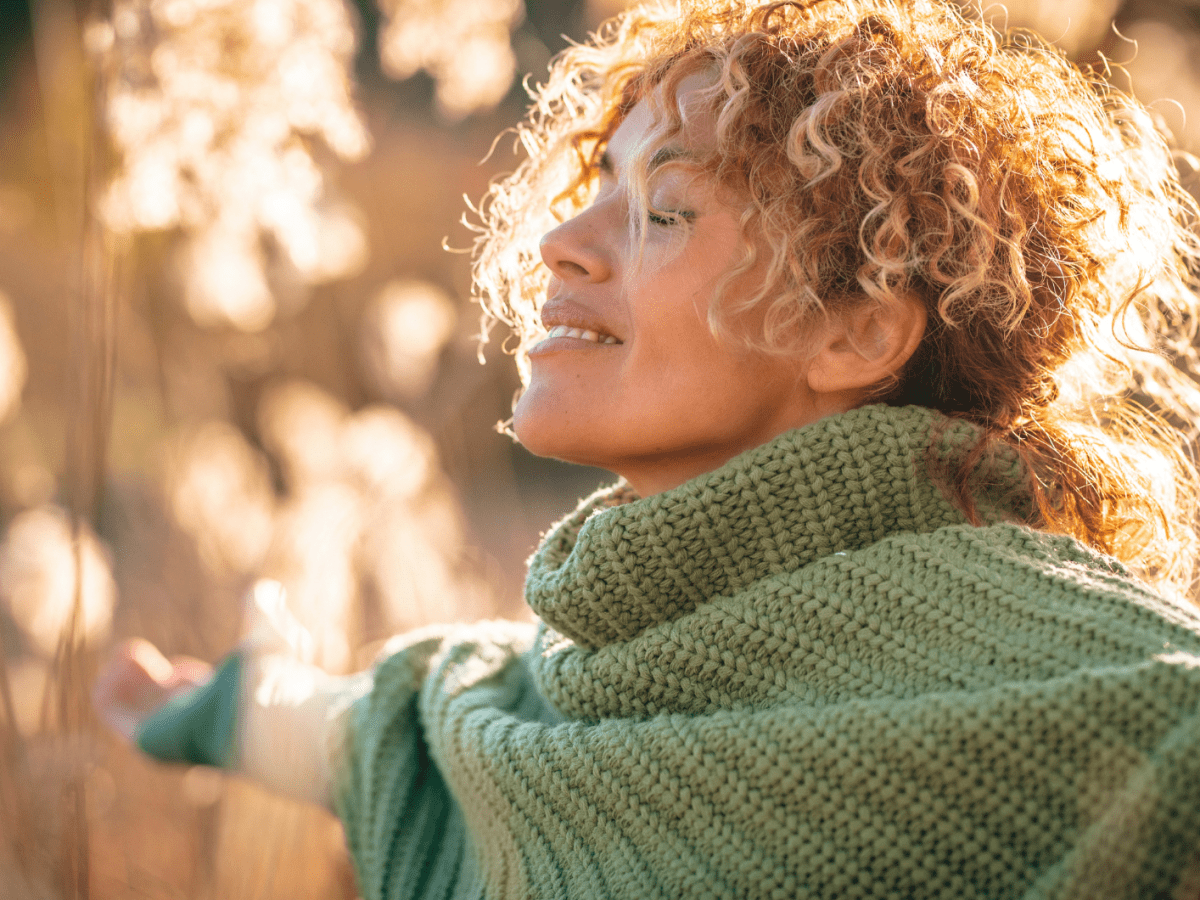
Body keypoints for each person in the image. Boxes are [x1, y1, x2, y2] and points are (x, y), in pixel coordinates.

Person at [94, 0, 1200, 896]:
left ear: (856, 331)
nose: (559, 245)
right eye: (596, 190)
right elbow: (435, 739)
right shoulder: (567, 686)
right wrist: (241, 711)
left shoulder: (1096, 669)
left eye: (663, 210)